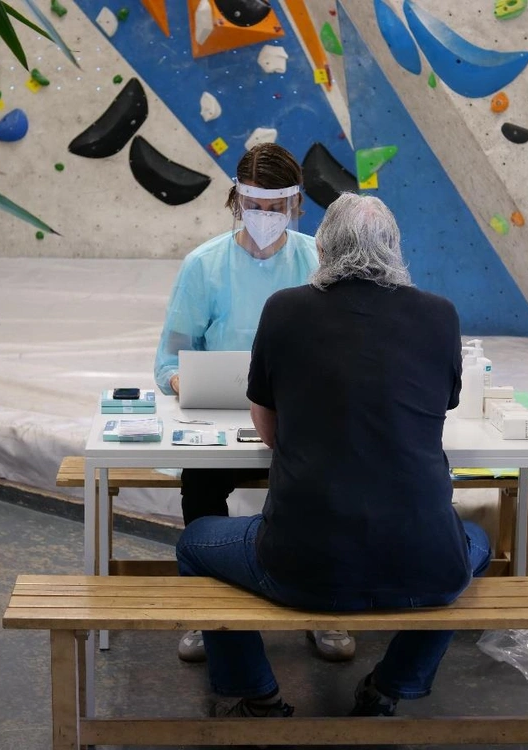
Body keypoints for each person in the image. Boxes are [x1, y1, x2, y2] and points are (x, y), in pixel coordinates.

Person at [175, 193, 491, 718]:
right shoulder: (441, 315)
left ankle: (257, 694)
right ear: (395, 248)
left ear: (322, 249)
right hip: (424, 563)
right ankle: (391, 685)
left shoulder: (285, 309)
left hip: (303, 564)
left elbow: (268, 427)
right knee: (471, 545)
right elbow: (441, 406)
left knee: (194, 544)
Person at [153, 143, 355, 663]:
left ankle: (324, 606)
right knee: (199, 486)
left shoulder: (319, 260)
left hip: (301, 419)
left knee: (329, 492)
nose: (265, 218)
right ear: (236, 201)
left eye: (276, 207)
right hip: (221, 418)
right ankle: (206, 614)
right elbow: (170, 360)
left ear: (295, 206)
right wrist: (188, 383)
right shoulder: (204, 266)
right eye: (254, 205)